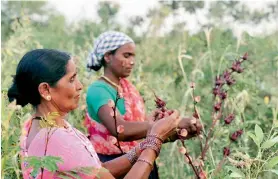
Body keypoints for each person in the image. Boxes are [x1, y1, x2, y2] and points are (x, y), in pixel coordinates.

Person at [8, 49, 191, 179]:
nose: (80, 85)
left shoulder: (37, 125)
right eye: (71, 79)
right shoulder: (57, 138)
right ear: (46, 89)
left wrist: (144, 146)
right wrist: (154, 141)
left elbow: (95, 171)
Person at [85, 31, 201, 178]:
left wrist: (177, 132)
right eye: (126, 55)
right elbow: (120, 130)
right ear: (108, 56)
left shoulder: (128, 89)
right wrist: (174, 123)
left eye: (133, 56)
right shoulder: (98, 90)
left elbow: (144, 134)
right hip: (114, 166)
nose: (132, 61)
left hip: (140, 161)